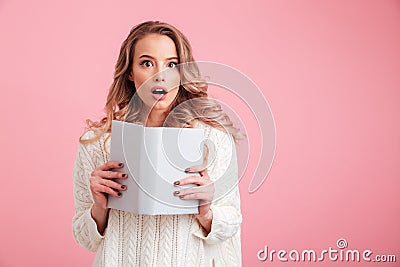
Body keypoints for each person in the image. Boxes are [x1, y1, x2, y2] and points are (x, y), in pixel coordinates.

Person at [72, 21, 243, 266]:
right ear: (130, 71)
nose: (159, 75)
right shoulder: (97, 143)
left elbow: (232, 222)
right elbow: (84, 239)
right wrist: (99, 207)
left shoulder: (212, 139)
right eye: (147, 63)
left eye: (171, 64)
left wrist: (207, 212)